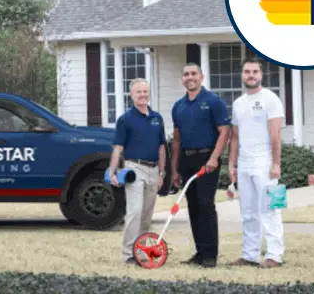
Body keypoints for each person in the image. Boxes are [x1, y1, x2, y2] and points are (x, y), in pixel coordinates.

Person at [171, 62, 231, 268]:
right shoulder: (178, 106)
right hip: (186, 160)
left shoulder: (213, 101)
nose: (190, 77)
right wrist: (175, 169)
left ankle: (210, 256)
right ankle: (200, 252)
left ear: (201, 77)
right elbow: (176, 140)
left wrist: (214, 158)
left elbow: (225, 131)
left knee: (206, 205)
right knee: (194, 207)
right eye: (186, 74)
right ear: (182, 79)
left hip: (207, 159)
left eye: (193, 73)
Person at [228, 57, 285, 268]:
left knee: (271, 208)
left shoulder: (271, 99)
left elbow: (276, 135)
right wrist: (231, 164)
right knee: (248, 211)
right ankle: (250, 255)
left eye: (254, 72)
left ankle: (274, 256)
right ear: (242, 75)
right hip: (244, 163)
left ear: (261, 75)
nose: (250, 75)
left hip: (266, 162)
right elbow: (234, 137)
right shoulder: (238, 103)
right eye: (247, 72)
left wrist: (276, 164)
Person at [108, 78, 167, 265]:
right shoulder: (125, 120)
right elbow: (118, 148)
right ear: (131, 95)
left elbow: (161, 148)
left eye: (145, 91)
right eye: (138, 92)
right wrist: (112, 172)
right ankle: (128, 254)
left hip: (153, 169)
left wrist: (162, 173)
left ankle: (141, 252)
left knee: (147, 215)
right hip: (134, 168)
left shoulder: (157, 118)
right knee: (134, 211)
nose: (142, 95)